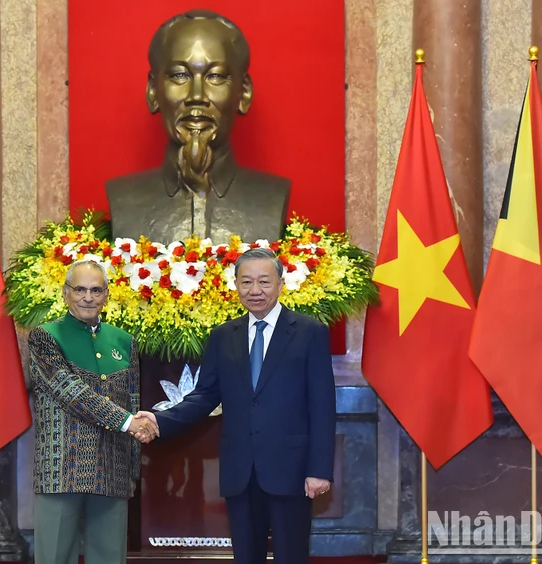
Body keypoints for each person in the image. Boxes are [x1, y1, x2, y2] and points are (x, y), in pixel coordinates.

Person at [135, 247, 336, 564]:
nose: (255, 290)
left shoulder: (309, 332)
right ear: (236, 285)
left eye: (264, 282)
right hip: (240, 470)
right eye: (246, 282)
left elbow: (323, 405)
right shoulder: (223, 336)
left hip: (291, 469)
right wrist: (161, 420)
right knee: (246, 556)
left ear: (281, 283)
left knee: (291, 555)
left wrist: (319, 469)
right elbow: (205, 395)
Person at [105, 9, 290, 244]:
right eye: (180, 76)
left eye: (215, 76)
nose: (196, 96)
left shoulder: (271, 197)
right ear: (153, 91)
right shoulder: (125, 198)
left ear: (244, 92)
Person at [28, 260, 159, 564]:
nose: (88, 297)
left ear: (106, 295)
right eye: (80, 289)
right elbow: (72, 392)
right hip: (62, 469)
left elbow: (132, 400)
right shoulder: (46, 337)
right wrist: (129, 422)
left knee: (110, 558)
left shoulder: (124, 341)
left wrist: (132, 470)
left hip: (113, 468)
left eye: (96, 290)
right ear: (66, 293)